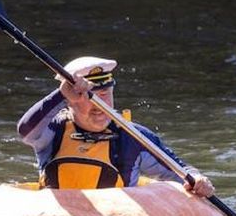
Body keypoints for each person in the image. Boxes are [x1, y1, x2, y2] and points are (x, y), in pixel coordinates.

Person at [17, 56, 215, 197]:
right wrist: (59, 96)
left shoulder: (132, 137)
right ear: (71, 101)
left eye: (105, 95)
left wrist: (197, 178)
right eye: (90, 97)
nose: (99, 107)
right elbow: (25, 131)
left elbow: (179, 172)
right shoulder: (54, 130)